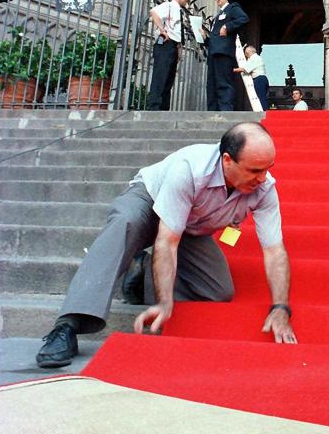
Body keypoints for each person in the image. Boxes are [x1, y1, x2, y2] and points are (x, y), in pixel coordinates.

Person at [36, 121, 297, 368]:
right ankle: (67, 325)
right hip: (149, 202)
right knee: (126, 223)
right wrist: (164, 302)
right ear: (227, 160)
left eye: (268, 168)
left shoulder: (265, 188)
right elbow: (166, 240)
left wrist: (281, 307)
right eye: (254, 170)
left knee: (218, 291)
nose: (263, 178)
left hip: (191, 227)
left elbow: (274, 250)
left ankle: (142, 270)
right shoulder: (189, 169)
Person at [147, 0, 190, 111]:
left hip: (174, 46)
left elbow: (177, 31)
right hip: (165, 45)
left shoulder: (179, 10)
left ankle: (164, 108)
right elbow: (153, 12)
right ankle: (155, 107)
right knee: (161, 76)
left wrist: (179, 48)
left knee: (169, 79)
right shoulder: (169, 5)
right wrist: (162, 30)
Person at [206, 0, 249, 111]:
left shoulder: (232, 8)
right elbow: (216, 37)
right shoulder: (216, 17)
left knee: (224, 83)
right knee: (212, 84)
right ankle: (212, 111)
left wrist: (227, 26)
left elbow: (244, 18)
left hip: (224, 53)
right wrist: (204, 38)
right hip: (213, 53)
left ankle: (226, 111)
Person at [234, 44, 269, 110]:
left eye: (246, 52)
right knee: (261, 97)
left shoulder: (254, 58)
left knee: (260, 98)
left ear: (250, 51)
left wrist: (232, 69)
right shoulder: (256, 58)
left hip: (259, 79)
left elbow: (244, 69)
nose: (245, 54)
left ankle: (264, 113)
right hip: (262, 79)